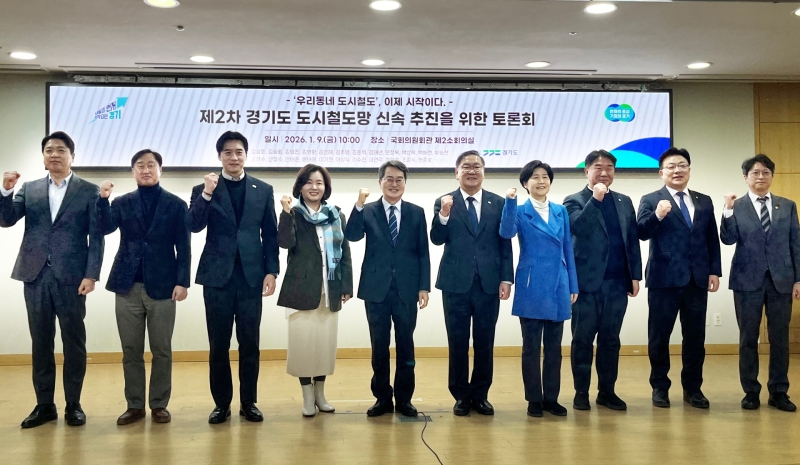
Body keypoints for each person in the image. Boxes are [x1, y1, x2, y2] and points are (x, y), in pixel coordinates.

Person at [0, 131, 104, 428]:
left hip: (72, 277)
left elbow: (96, 238)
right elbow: (6, 220)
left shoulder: (89, 191)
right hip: (35, 275)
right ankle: (44, 405)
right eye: (49, 150)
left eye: (60, 150)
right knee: (41, 341)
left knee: (74, 341)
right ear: (43, 156)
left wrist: (91, 275)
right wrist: (6, 192)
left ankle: (73, 404)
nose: (54, 154)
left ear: (73, 156)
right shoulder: (29, 188)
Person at [186, 131, 279, 424]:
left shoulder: (263, 189)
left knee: (250, 343)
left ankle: (248, 402)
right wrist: (207, 193)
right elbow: (193, 225)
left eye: (239, 152)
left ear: (246, 155)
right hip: (217, 278)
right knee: (219, 344)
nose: (234, 157)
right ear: (219, 157)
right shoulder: (204, 188)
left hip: (251, 277)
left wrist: (272, 271)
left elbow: (271, 234)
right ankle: (222, 404)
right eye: (228, 152)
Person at [96, 149, 190, 425]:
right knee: (131, 350)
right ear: (133, 171)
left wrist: (182, 281)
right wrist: (103, 200)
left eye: (151, 165)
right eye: (140, 166)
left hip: (164, 285)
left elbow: (184, 247)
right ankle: (134, 405)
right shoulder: (122, 202)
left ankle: (159, 404)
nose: (146, 170)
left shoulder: (176, 205)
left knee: (162, 349)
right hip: (127, 285)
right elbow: (104, 228)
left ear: (161, 170)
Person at [344, 160, 431, 418]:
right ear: (380, 182)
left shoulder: (416, 212)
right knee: (379, 345)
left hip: (407, 289)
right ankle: (382, 398)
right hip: (376, 289)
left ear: (405, 183)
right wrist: (358, 205)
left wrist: (423, 286)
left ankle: (404, 399)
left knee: (406, 345)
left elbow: (423, 252)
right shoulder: (368, 210)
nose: (394, 184)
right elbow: (352, 235)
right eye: (389, 179)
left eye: (399, 179)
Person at [430, 150, 513, 416]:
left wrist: (506, 278)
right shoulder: (444, 201)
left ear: (484, 172)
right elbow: (436, 239)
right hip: (455, 283)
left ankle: (481, 394)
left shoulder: (498, 203)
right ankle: (461, 396)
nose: (471, 171)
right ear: (456, 172)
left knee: (485, 341)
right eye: (466, 166)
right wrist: (443, 215)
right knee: (457, 341)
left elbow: (505, 243)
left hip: (489, 283)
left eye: (477, 166)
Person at [637, 147, 721, 409]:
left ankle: (693, 389)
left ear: (689, 170)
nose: (677, 170)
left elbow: (711, 239)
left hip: (697, 279)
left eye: (682, 165)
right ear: (661, 172)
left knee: (695, 337)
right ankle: (660, 387)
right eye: (671, 166)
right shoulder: (651, 199)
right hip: (663, 279)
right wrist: (658, 215)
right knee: (659, 337)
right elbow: (641, 232)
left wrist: (714, 271)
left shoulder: (703, 200)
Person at [563, 150, 642, 411]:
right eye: (598, 167)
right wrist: (596, 200)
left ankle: (607, 391)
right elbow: (578, 228)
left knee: (610, 340)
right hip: (586, 284)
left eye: (609, 167)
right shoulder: (573, 200)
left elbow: (631, 240)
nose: (604, 172)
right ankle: (581, 392)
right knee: (582, 340)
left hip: (617, 283)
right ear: (586, 171)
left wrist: (634, 275)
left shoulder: (623, 201)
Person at [720, 154, 799, 412]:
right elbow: (728, 239)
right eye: (755, 172)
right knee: (748, 338)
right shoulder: (736, 206)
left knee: (780, 338)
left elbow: (795, 244)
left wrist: (798, 278)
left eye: (766, 172)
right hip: (746, 280)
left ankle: (779, 391)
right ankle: (751, 392)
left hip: (781, 280)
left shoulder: (787, 206)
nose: (761, 177)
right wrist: (727, 210)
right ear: (746, 177)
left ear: (772, 176)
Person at [500, 160, 578, 418]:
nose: (541, 181)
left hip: (559, 283)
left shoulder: (560, 210)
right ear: (525, 183)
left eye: (545, 176)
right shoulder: (519, 210)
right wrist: (509, 202)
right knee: (531, 347)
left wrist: (573, 283)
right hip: (532, 283)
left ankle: (551, 398)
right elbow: (506, 232)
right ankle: (534, 399)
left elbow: (567, 247)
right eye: (535, 177)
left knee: (555, 347)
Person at [277, 164, 353, 417]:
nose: (314, 187)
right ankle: (307, 396)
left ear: (326, 187)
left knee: (324, 346)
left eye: (319, 183)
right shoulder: (294, 213)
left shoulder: (336, 214)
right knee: (302, 346)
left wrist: (346, 285)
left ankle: (320, 393)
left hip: (329, 288)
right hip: (301, 288)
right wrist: (285, 213)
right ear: (300, 187)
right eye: (308, 182)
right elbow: (285, 242)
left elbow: (344, 252)